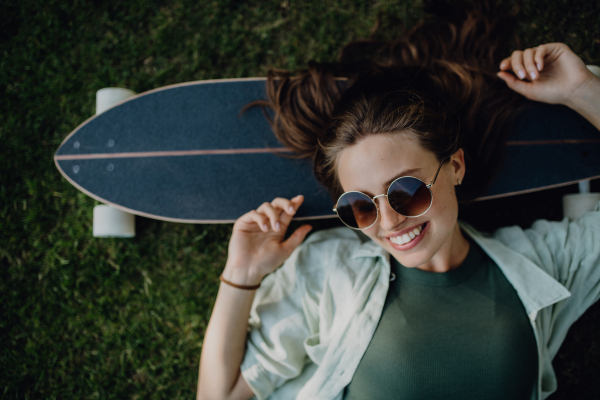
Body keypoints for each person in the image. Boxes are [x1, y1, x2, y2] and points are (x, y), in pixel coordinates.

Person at [197, 1, 600, 399]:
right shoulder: (327, 274)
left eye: (406, 191)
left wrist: (581, 90)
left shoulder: (542, 264)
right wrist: (241, 274)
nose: (388, 222)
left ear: (455, 166)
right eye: (361, 205)